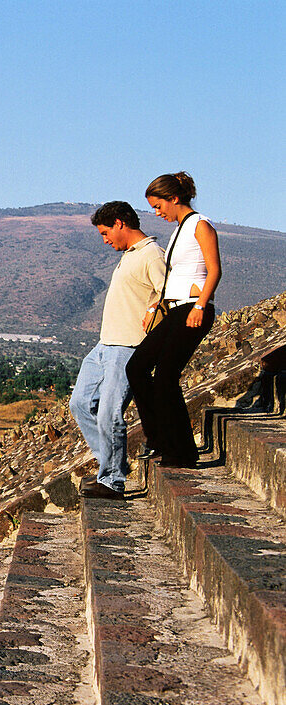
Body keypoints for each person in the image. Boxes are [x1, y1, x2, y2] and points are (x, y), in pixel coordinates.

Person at [126, 171, 221, 468]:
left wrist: (201, 306)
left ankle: (181, 452)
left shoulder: (200, 225)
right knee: (137, 367)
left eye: (158, 206)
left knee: (166, 376)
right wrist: (156, 305)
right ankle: (159, 441)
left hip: (193, 309)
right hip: (175, 309)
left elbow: (214, 270)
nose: (157, 212)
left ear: (174, 198)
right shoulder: (179, 229)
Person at [71, 201, 166, 498]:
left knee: (109, 414)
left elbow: (169, 296)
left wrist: (155, 309)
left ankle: (112, 481)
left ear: (119, 223)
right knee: (80, 404)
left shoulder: (152, 254)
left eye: (104, 232)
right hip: (104, 343)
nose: (104, 239)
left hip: (128, 345)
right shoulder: (130, 255)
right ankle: (111, 466)